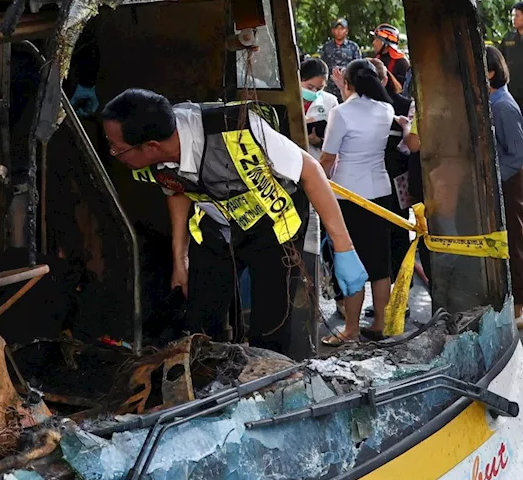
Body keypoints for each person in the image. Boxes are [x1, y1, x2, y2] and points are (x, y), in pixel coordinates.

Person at [100, 89, 368, 353]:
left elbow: (310, 170)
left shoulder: (236, 130)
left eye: (117, 149)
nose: (113, 152)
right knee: (200, 320)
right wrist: (180, 261)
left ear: (151, 147)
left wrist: (344, 248)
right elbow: (176, 188)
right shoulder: (161, 147)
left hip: (273, 227)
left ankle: (268, 384)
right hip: (217, 226)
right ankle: (210, 375)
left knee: (271, 325)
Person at [319, 59, 403, 343]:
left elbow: (328, 158)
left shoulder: (341, 113)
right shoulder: (386, 109)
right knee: (380, 264)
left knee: (350, 259)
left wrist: (317, 186)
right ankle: (381, 324)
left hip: (349, 195)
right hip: (380, 193)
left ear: (348, 84)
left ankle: (351, 329)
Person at [485, 45, 523, 326]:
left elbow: (517, 154)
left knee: (515, 243)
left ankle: (520, 306)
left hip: (511, 182)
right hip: (503, 181)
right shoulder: (492, 102)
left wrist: (496, 180)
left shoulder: (503, 106)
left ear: (491, 73)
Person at [300, 57, 337, 159]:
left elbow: (337, 138)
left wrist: (318, 142)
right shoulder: (287, 99)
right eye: (310, 87)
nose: (314, 92)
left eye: (319, 88)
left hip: (317, 158)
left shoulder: (330, 101)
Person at [318, 19, 361, 99]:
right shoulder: (326, 47)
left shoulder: (353, 47)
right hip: (330, 88)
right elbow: (322, 66)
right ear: (333, 31)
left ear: (346, 31)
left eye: (342, 28)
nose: (339, 31)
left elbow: (358, 67)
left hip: (348, 87)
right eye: (336, 29)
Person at [371, 24, 412, 94]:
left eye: (377, 40)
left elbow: (401, 90)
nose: (373, 43)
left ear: (385, 44)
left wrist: (385, 72)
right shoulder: (377, 58)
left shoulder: (402, 62)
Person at [498, 2, 523, 112]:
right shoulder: (508, 38)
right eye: (512, 16)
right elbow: (499, 60)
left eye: (517, 15)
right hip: (511, 91)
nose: (513, 19)